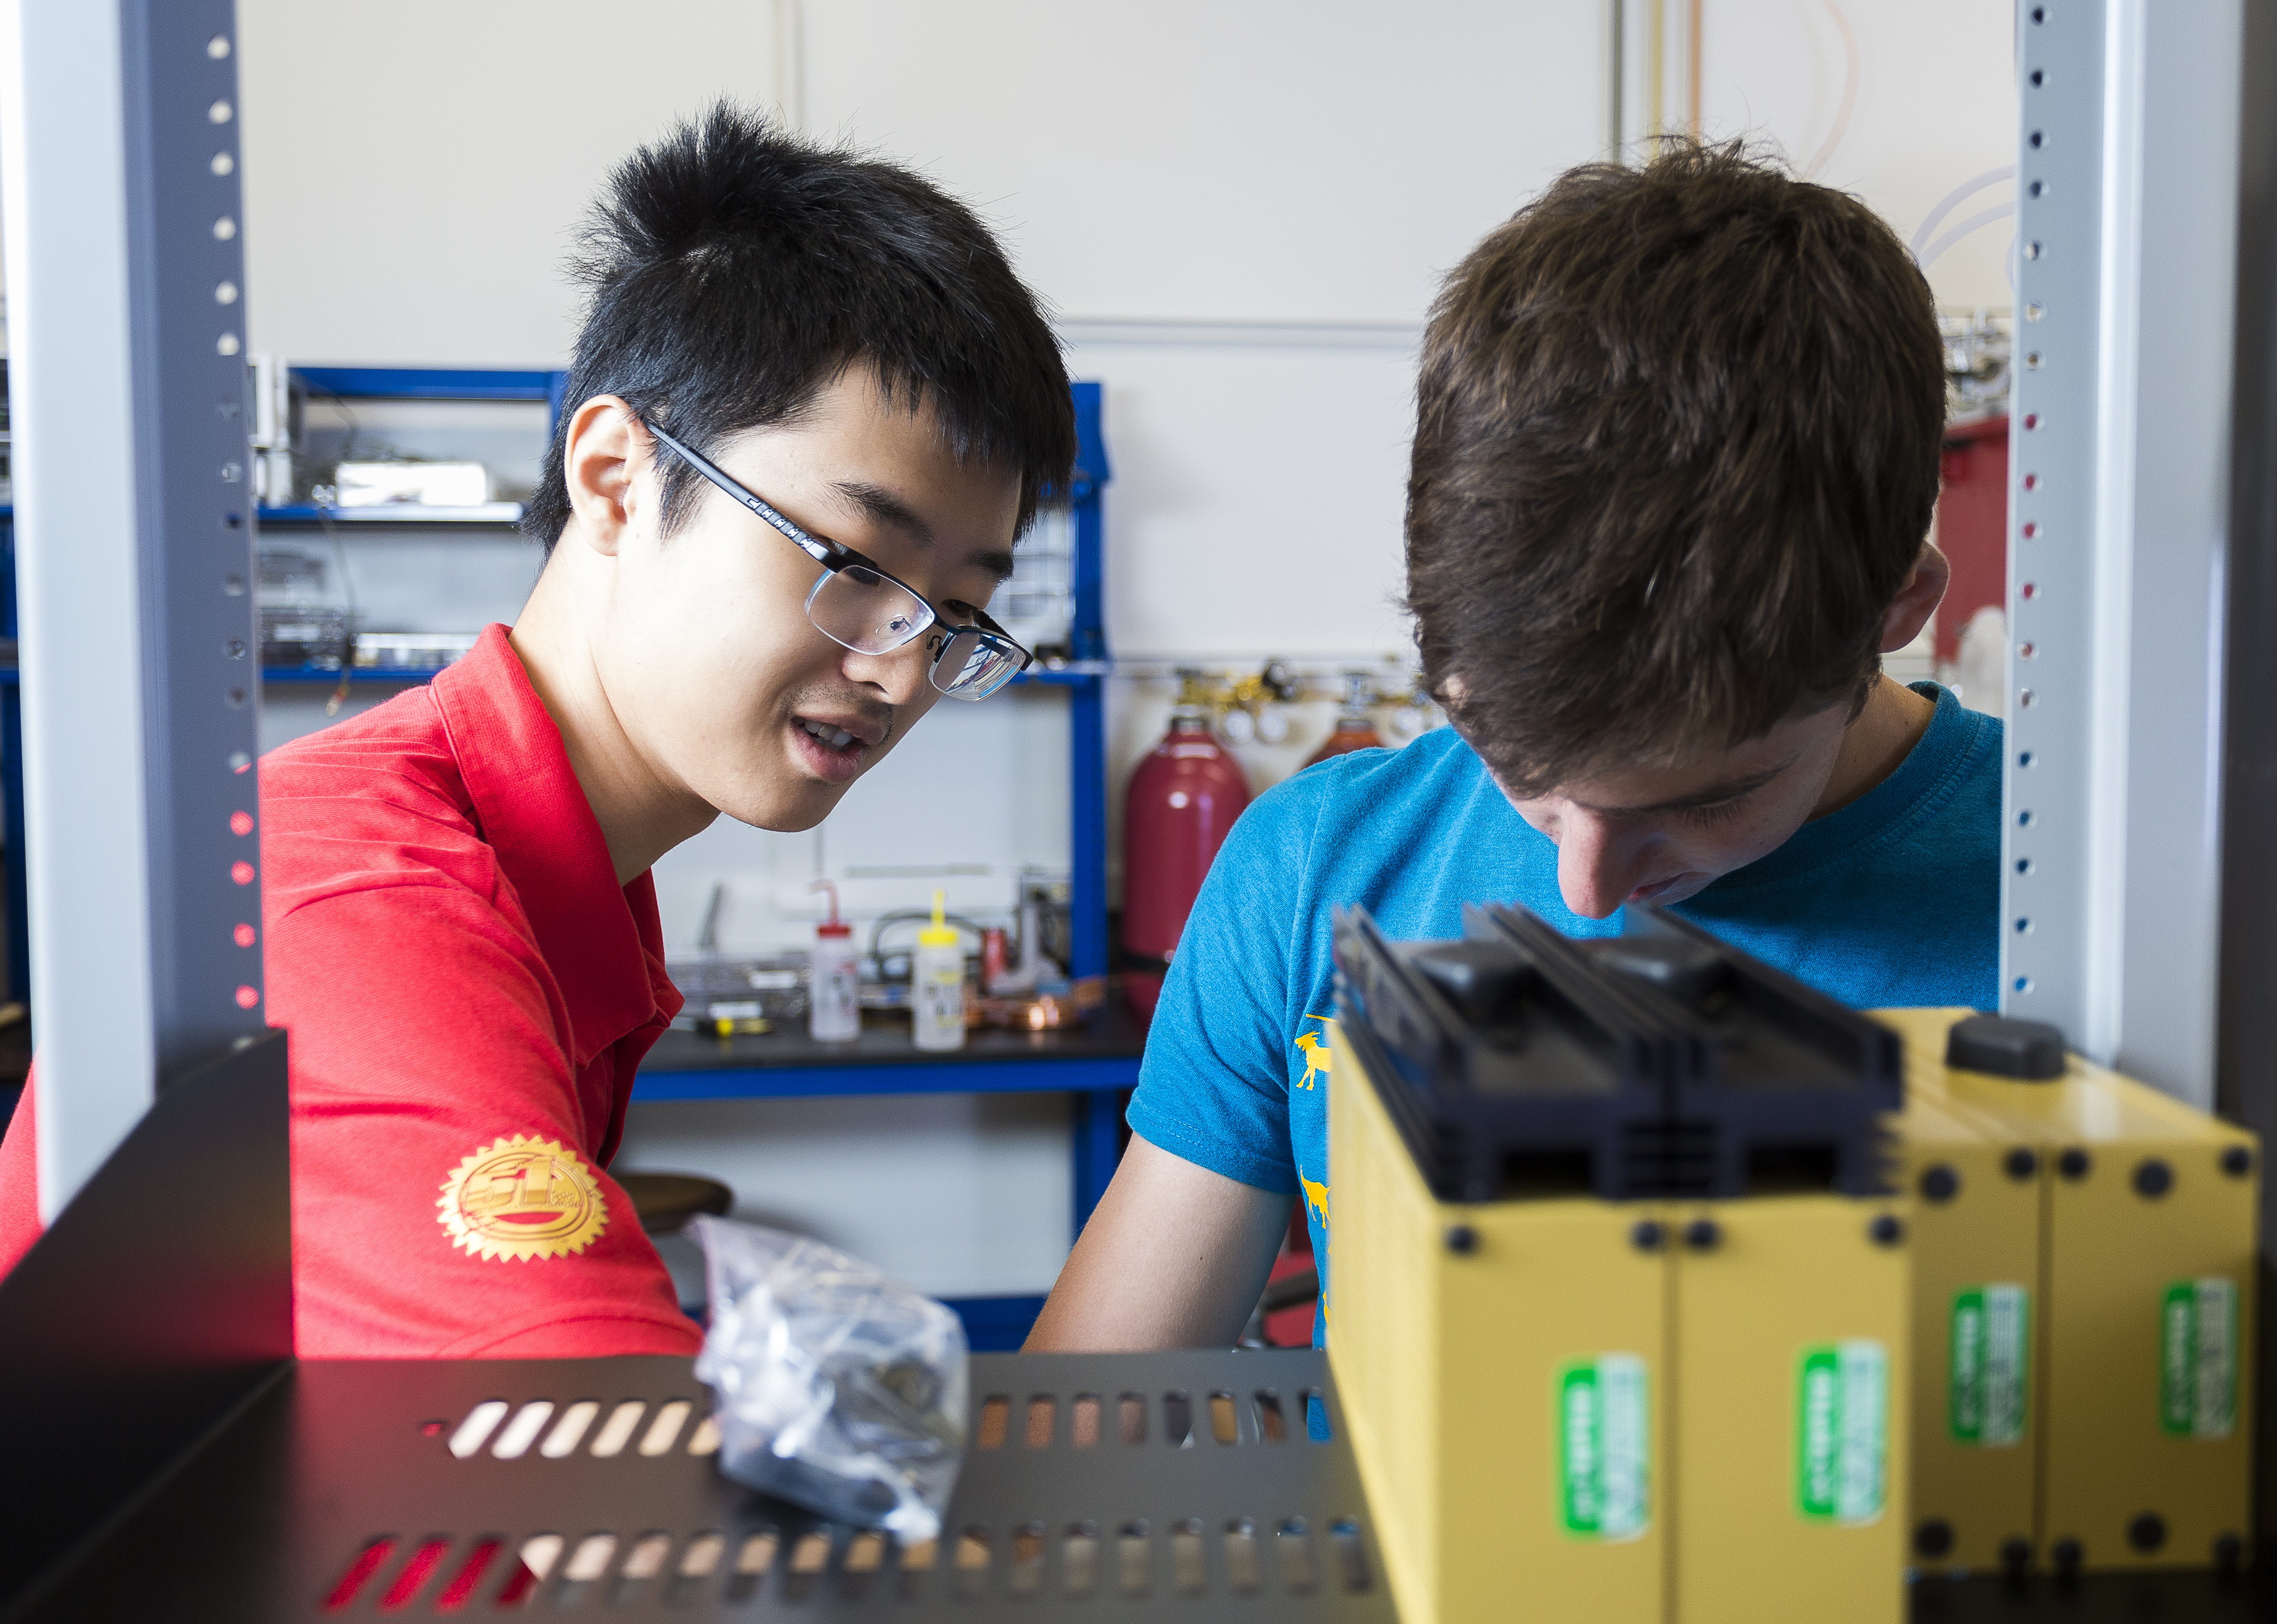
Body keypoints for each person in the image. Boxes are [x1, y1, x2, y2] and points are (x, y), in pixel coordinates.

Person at [0, 104, 1074, 1357]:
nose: (900, 675)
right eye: (854, 562)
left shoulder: (578, 873)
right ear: (617, 477)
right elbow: (613, 1470)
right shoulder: (363, 898)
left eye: (954, 615)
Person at [1028, 140, 1999, 1352]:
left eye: (1699, 797)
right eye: (1523, 772)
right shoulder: (1315, 871)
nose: (1581, 887)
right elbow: (1090, 1409)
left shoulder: (2076, 906)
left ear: (1898, 612)